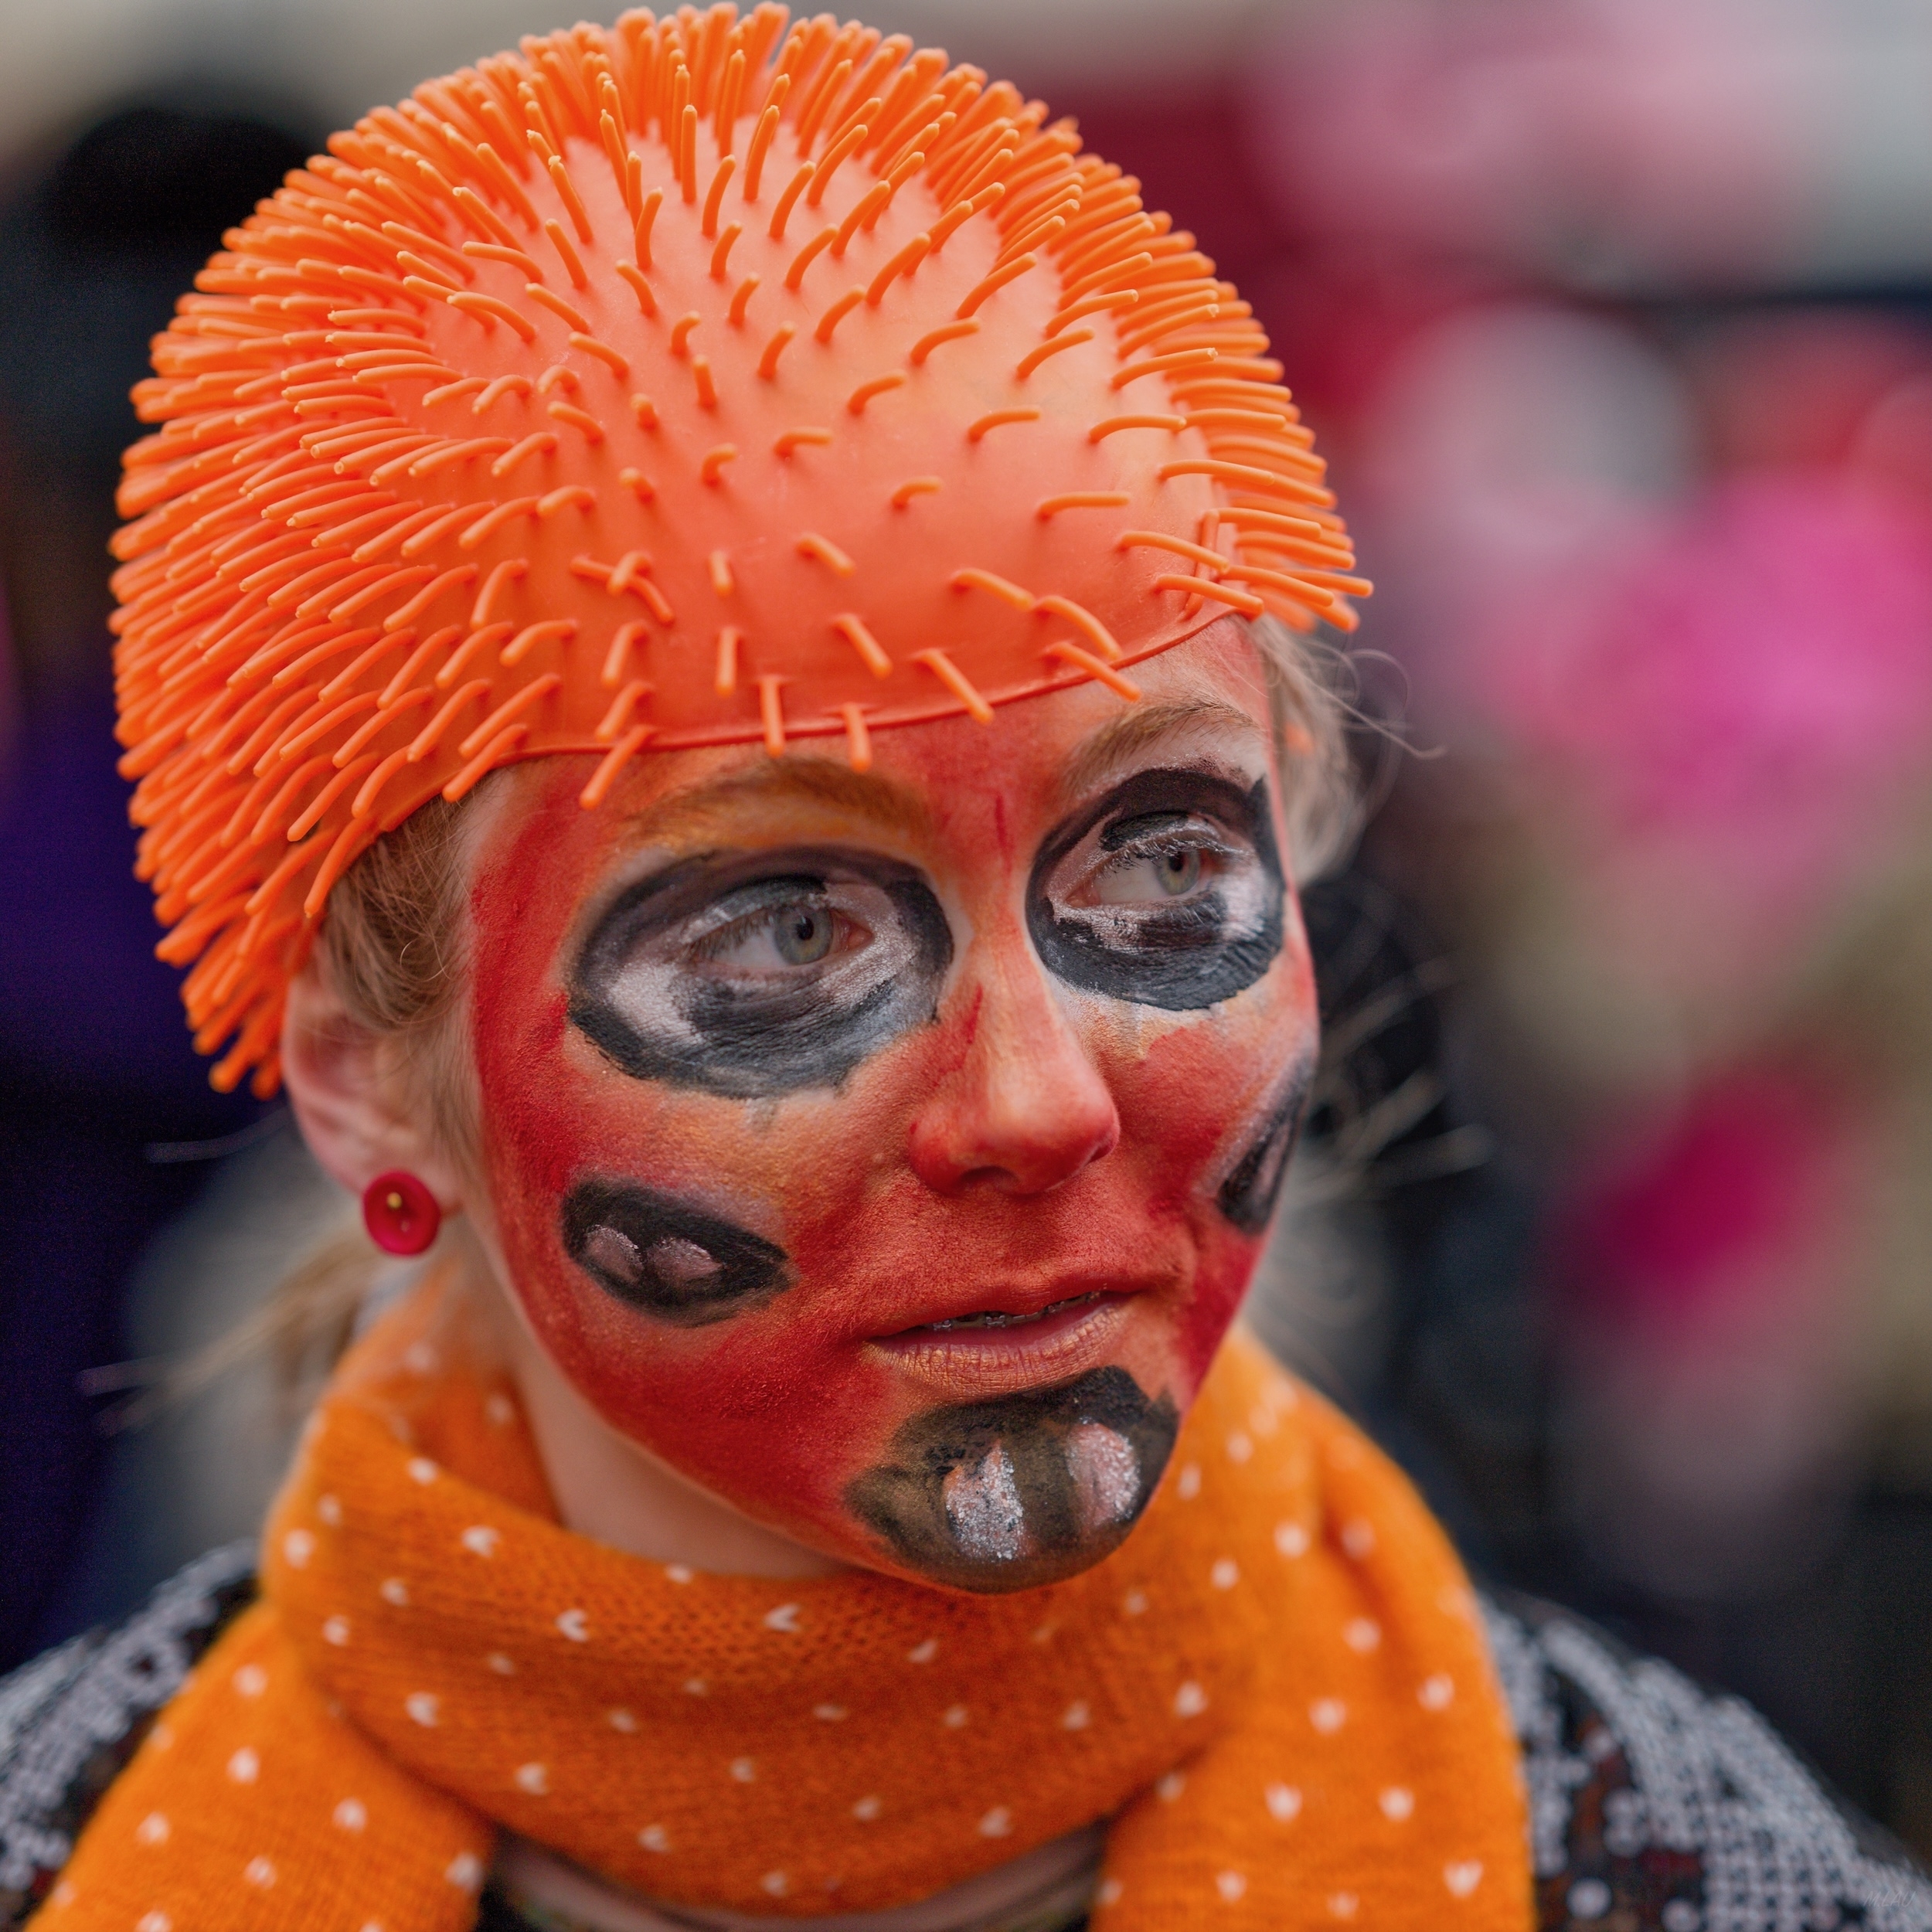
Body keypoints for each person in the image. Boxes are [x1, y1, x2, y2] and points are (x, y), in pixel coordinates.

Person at [2, 12, 1927, 1930]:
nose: (1039, 1096)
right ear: (361, 1075)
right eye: (783, 926)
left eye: (1160, 860)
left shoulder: (1671, 1874)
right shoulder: (64, 1849)